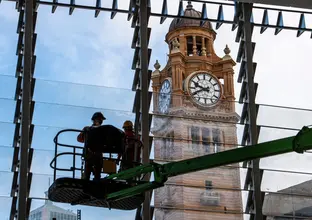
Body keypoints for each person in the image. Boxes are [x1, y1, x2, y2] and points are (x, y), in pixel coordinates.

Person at [77, 112, 106, 181]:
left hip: (92, 155)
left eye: (101, 119)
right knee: (93, 174)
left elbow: (80, 139)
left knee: (92, 174)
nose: (101, 121)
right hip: (93, 155)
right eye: (100, 119)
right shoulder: (102, 130)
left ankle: (90, 185)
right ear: (95, 119)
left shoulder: (87, 129)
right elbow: (79, 139)